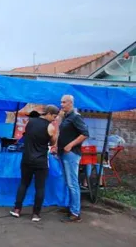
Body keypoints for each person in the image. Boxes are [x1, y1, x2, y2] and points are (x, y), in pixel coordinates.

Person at [10, 105, 59, 222]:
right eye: (54, 116)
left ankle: (17, 209)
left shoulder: (30, 122)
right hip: (41, 161)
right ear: (49, 114)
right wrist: (54, 135)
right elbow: (53, 142)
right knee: (40, 187)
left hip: (27, 159)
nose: (55, 119)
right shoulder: (50, 127)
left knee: (23, 184)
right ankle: (36, 214)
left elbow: (27, 136)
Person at [58, 95, 89, 223]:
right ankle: (71, 207)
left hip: (71, 154)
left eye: (64, 102)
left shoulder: (76, 116)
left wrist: (70, 145)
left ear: (70, 103)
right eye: (61, 102)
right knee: (68, 182)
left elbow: (85, 134)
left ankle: (75, 213)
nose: (61, 104)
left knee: (72, 183)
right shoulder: (66, 117)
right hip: (63, 153)